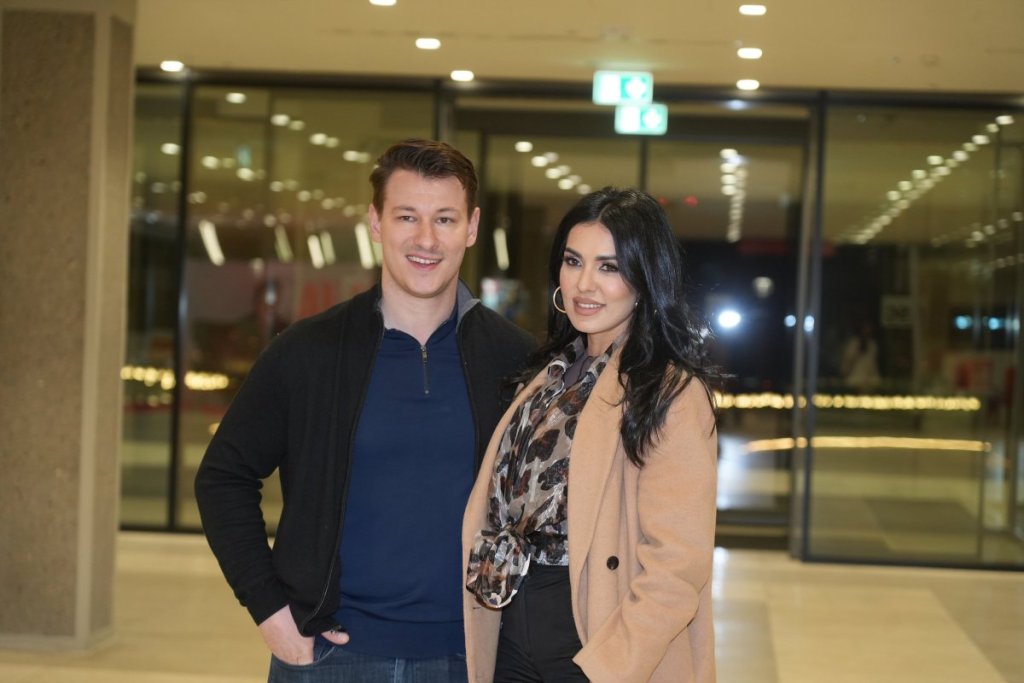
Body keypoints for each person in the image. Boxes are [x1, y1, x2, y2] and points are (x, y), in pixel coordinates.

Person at [195, 138, 536, 682]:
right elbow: (223, 477)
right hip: (331, 656)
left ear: (471, 228)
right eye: (407, 216)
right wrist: (271, 611)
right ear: (376, 222)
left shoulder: (517, 361)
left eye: (445, 219)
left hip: (469, 659)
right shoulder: (308, 352)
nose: (426, 239)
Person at [463, 187, 720, 683]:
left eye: (609, 267)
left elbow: (677, 564)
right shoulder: (548, 375)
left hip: (594, 634)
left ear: (645, 280)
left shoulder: (668, 392)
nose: (584, 284)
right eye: (573, 261)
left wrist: (610, 665)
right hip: (512, 627)